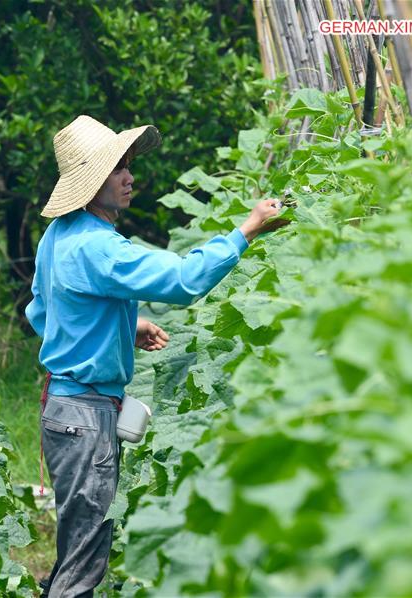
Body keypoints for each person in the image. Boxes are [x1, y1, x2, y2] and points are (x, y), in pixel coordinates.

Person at [24, 115, 285, 597]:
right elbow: (183, 281)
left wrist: (125, 325)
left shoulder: (58, 236)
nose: (129, 177)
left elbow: (42, 311)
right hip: (87, 416)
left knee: (74, 543)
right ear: (90, 182)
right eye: (117, 169)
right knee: (83, 563)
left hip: (62, 409)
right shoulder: (101, 248)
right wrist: (247, 230)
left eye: (127, 166)